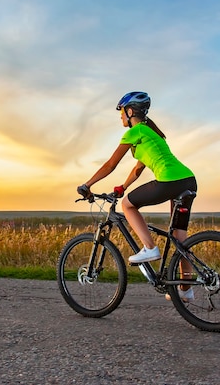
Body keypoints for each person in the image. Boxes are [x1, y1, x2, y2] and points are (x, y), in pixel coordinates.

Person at [77, 91, 198, 301]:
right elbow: (138, 169)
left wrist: (87, 184)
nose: (120, 117)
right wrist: (123, 186)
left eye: (121, 112)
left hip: (169, 180)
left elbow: (110, 164)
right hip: (187, 180)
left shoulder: (135, 132)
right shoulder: (151, 134)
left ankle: (150, 248)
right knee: (180, 237)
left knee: (128, 205)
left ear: (130, 111)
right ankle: (185, 289)